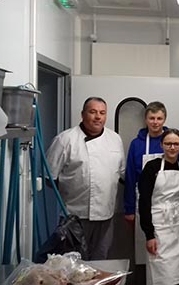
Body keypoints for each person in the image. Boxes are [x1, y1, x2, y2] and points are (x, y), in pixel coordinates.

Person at [46, 97, 125, 260]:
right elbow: (49, 177)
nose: (98, 117)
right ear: (83, 115)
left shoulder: (115, 139)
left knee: (100, 259)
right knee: (72, 261)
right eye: (93, 112)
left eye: (102, 113)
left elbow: (121, 173)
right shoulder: (65, 140)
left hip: (106, 215)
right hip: (75, 216)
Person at [138, 128, 179, 285]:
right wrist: (149, 234)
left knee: (178, 270)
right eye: (168, 143)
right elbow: (144, 201)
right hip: (158, 222)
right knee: (159, 267)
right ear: (162, 145)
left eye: (176, 144)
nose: (172, 147)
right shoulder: (151, 167)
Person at [124, 101, 168, 268]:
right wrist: (129, 209)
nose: (155, 122)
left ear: (164, 119)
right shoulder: (137, 144)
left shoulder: (172, 140)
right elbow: (130, 176)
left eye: (159, 118)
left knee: (166, 250)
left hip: (168, 202)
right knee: (144, 247)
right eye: (152, 118)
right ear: (146, 120)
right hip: (143, 200)